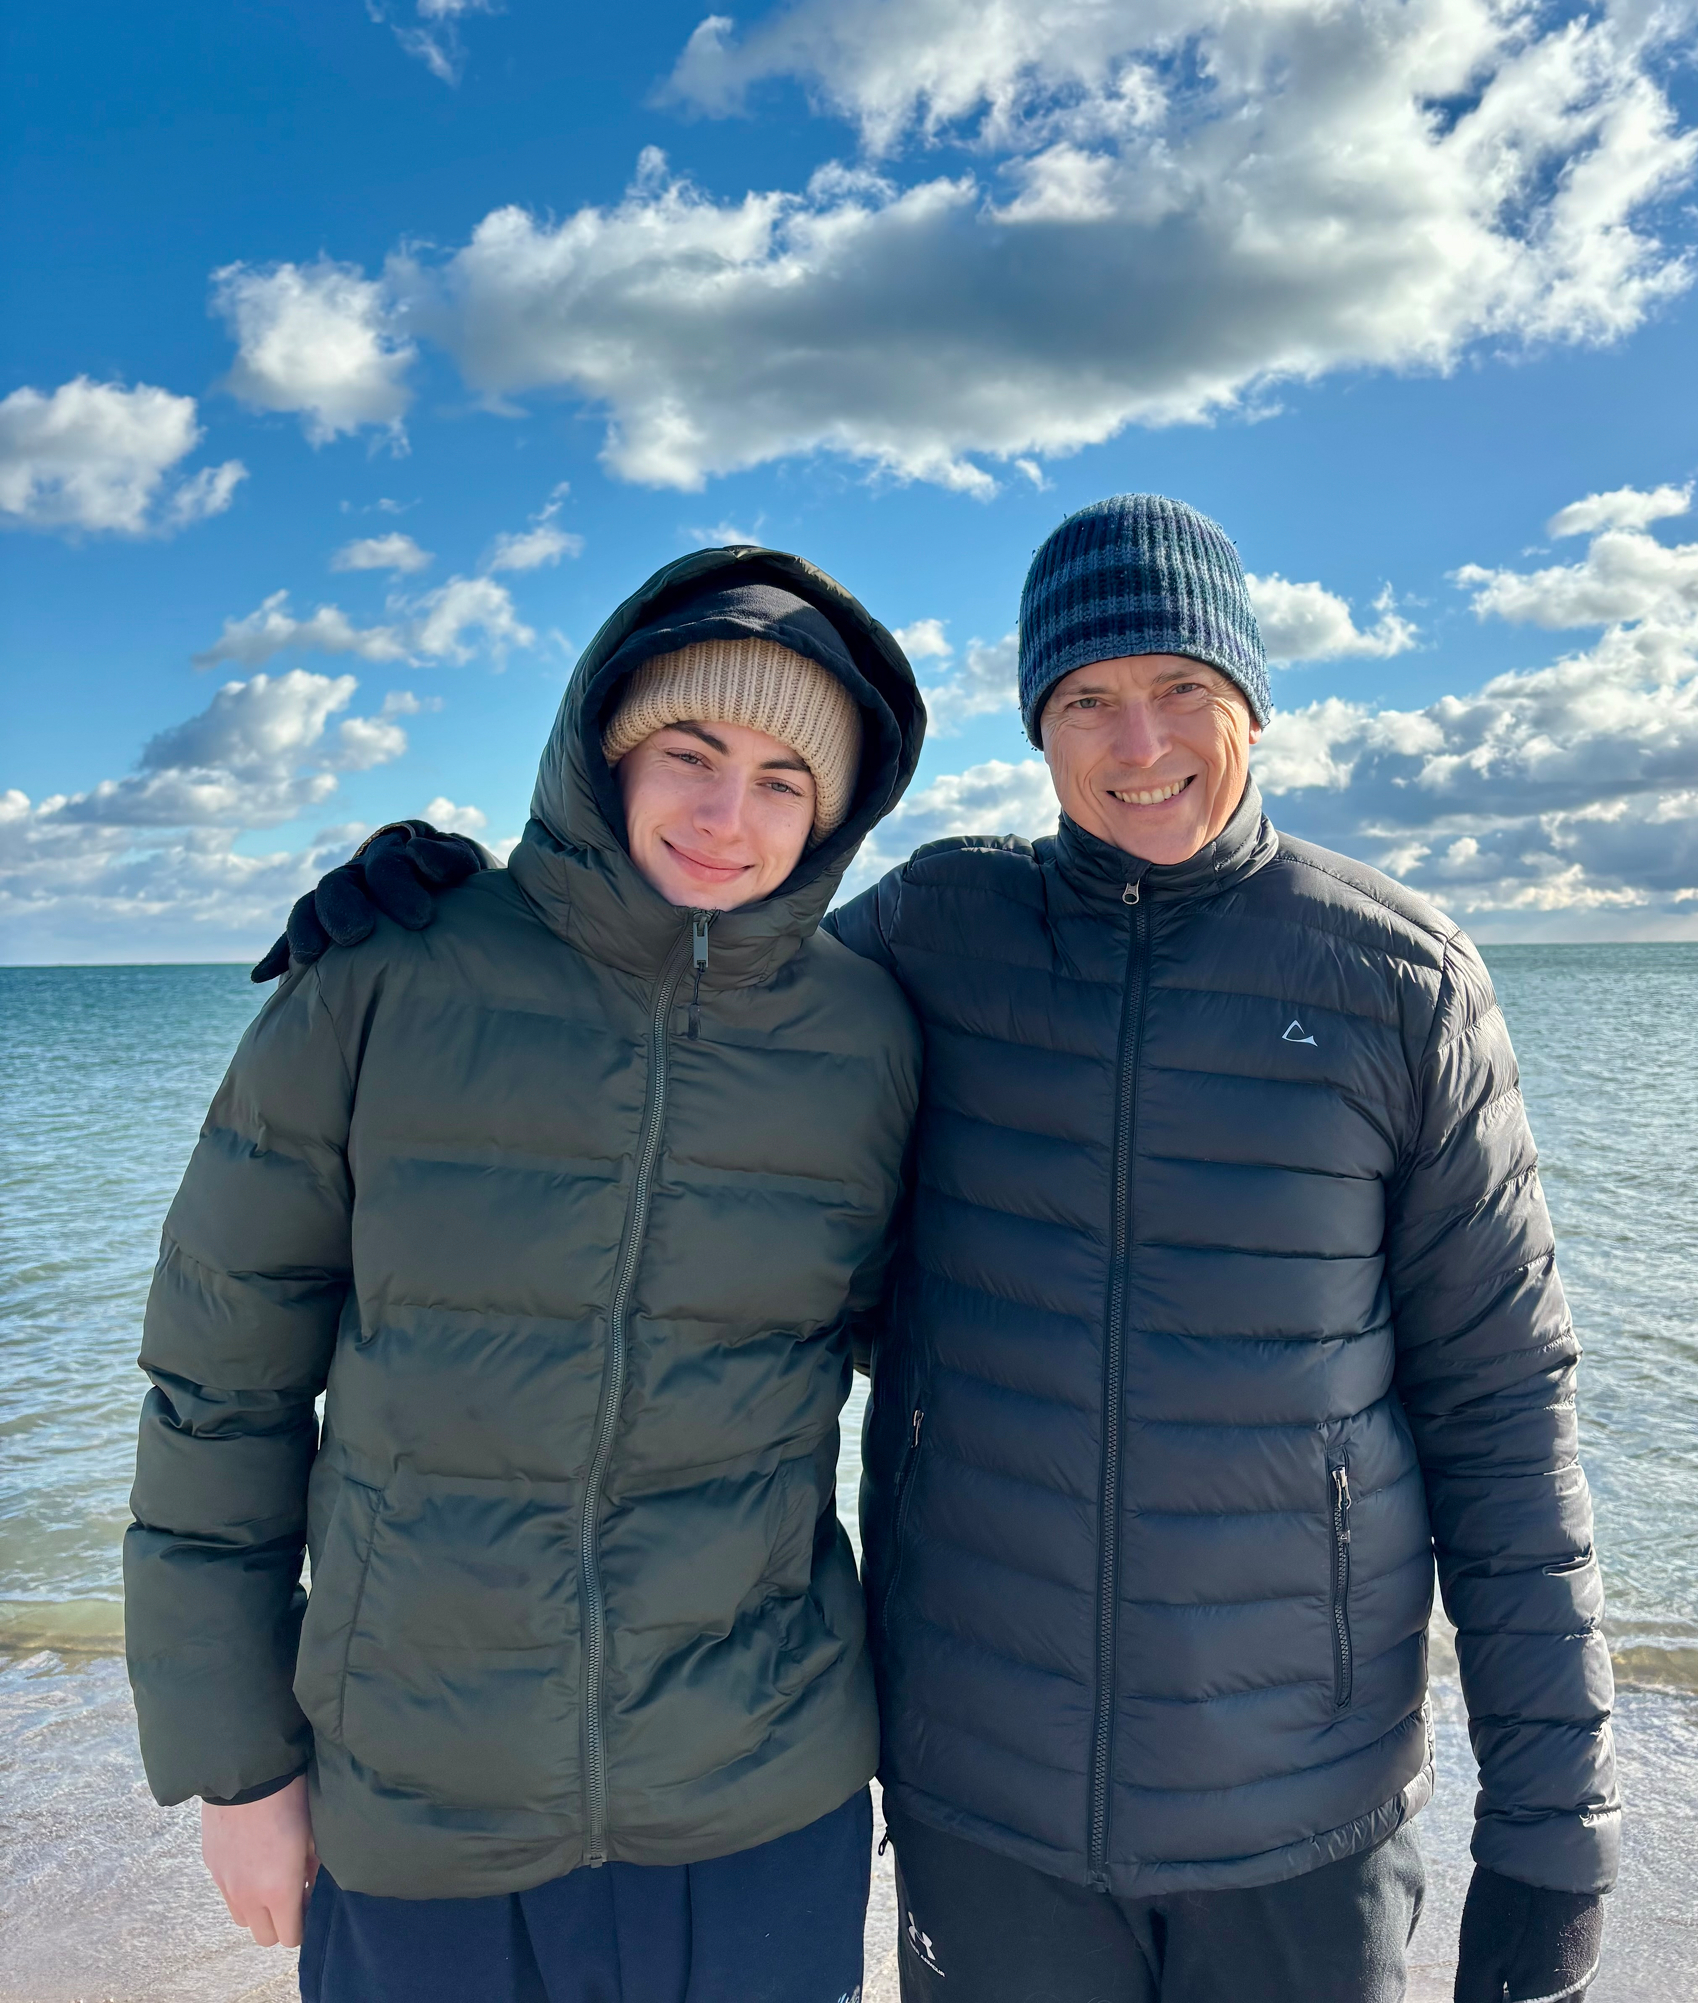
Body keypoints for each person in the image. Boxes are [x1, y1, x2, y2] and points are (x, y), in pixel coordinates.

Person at [274, 496, 1620, 2003]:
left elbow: (1506, 1413)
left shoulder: (1400, 984)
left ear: (1252, 702)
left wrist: (1555, 1832)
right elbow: (681, 983)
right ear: (1037, 729)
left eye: (1185, 689)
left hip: (1297, 1809)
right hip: (990, 1803)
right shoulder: (932, 937)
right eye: (1088, 701)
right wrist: (462, 909)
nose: (1139, 743)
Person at [124, 545, 927, 2003]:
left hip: (762, 1804)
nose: (725, 816)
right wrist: (235, 1773)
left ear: (837, 812)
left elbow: (949, 1339)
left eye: (782, 780)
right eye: (689, 752)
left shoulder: (867, 1036)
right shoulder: (387, 976)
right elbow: (217, 1389)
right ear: (601, 747)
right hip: (425, 1816)